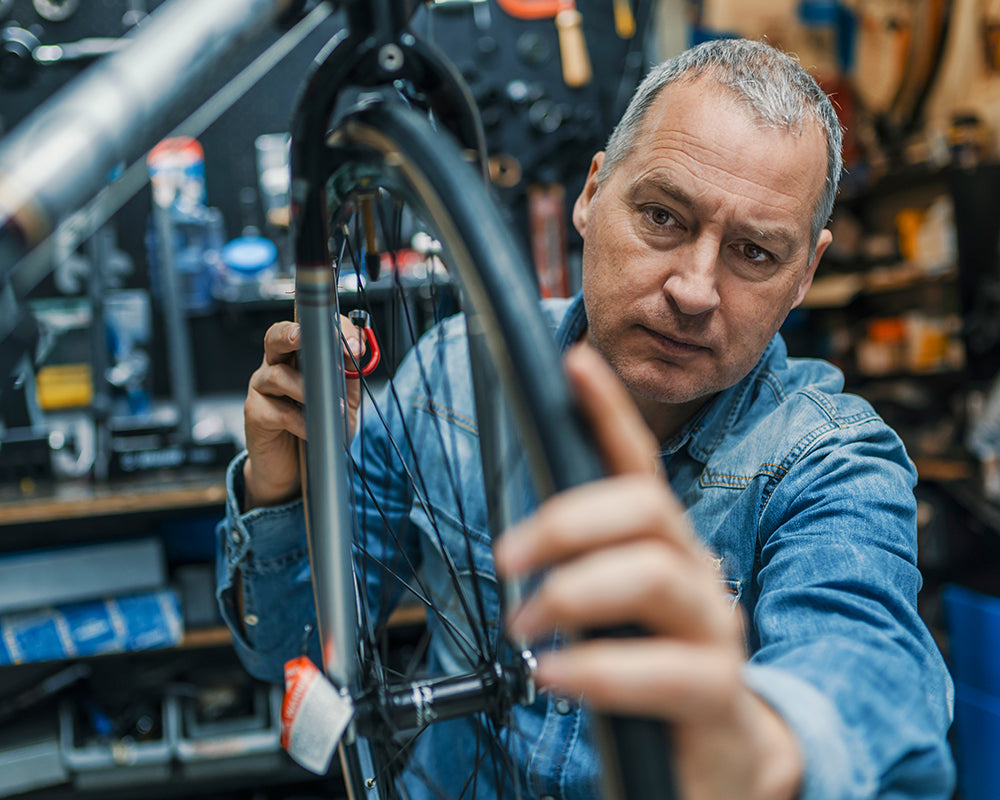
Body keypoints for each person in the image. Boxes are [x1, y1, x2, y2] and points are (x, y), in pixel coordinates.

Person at [216, 37, 955, 799]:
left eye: (755, 254)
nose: (695, 290)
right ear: (593, 192)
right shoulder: (451, 376)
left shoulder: (833, 462)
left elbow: (870, 667)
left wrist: (765, 746)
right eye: (663, 216)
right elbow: (292, 650)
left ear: (806, 274)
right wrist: (281, 487)